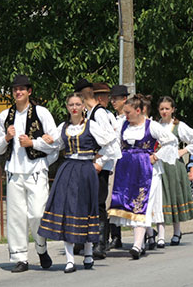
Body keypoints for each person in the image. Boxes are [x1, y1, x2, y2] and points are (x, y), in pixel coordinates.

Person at [37, 93, 121, 273]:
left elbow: (112, 144)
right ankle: (70, 260)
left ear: (83, 106)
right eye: (70, 105)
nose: (74, 107)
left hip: (86, 170)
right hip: (67, 170)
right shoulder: (63, 127)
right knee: (67, 211)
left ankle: (89, 251)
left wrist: (99, 161)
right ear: (67, 107)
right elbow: (53, 146)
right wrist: (37, 143)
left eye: (77, 104)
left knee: (86, 210)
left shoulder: (92, 126)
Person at [0, 74, 58, 273]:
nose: (18, 92)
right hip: (14, 173)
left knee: (37, 213)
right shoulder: (5, 116)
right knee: (16, 217)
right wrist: (6, 138)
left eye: (22, 89)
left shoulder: (41, 113)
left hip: (36, 171)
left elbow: (55, 141)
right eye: (15, 89)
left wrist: (34, 144)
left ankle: (41, 248)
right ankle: (20, 257)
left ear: (29, 92)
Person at [108, 95, 178, 259]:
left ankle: (137, 245)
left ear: (138, 111)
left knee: (142, 204)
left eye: (128, 112)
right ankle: (143, 241)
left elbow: (171, 142)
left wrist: (156, 156)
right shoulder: (123, 125)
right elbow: (114, 144)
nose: (126, 115)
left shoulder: (151, 126)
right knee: (128, 204)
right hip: (126, 170)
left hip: (146, 170)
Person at [147, 96, 193, 248]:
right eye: (162, 109)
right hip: (158, 166)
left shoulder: (179, 126)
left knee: (175, 197)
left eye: (167, 109)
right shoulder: (155, 125)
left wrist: (183, 151)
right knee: (160, 200)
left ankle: (177, 232)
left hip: (174, 167)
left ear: (173, 110)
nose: (164, 111)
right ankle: (161, 234)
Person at [73, 80, 120, 259]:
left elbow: (112, 141)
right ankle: (83, 239)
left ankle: (100, 242)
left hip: (100, 165)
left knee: (99, 203)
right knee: (86, 202)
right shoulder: (91, 113)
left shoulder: (99, 114)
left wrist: (101, 160)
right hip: (89, 163)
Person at [107, 84, 131, 249]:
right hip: (113, 161)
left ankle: (147, 233)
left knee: (130, 198)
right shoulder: (111, 118)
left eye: (116, 98)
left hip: (128, 161)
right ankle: (115, 235)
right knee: (112, 199)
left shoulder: (130, 119)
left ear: (124, 99)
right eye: (112, 98)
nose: (113, 101)